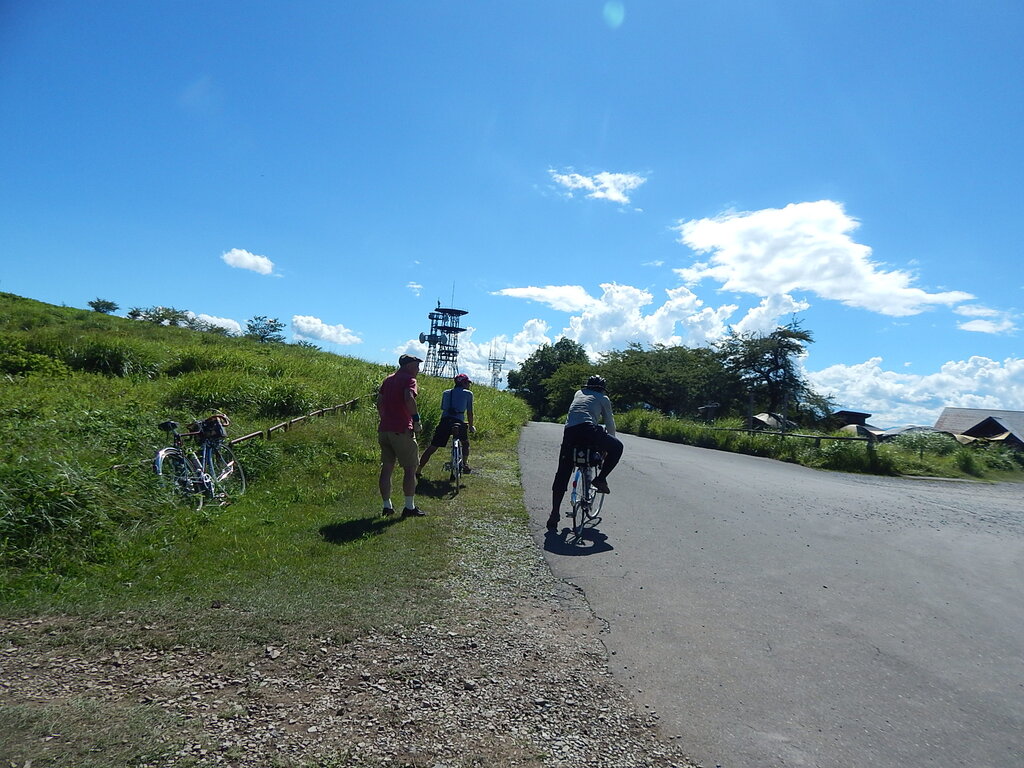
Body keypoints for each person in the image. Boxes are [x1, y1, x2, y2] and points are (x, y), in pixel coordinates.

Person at [547, 375, 623, 531]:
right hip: (589, 430)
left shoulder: (578, 393)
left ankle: (554, 514)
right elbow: (610, 424)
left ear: (587, 386)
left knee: (563, 472)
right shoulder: (603, 398)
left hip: (570, 433)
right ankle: (600, 480)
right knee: (618, 447)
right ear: (602, 389)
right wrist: (609, 444)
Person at [377, 353, 426, 517]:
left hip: (384, 429)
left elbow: (379, 402)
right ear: (409, 366)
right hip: (402, 429)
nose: (418, 369)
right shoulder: (409, 380)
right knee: (410, 469)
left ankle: (387, 506)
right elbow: (408, 398)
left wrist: (385, 418)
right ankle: (409, 507)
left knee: (387, 468)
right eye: (417, 366)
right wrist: (416, 420)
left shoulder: (388, 379)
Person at [417, 373, 476, 475]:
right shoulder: (468, 394)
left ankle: (418, 470)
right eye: (467, 383)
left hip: (445, 422)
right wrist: (471, 426)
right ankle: (465, 464)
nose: (469, 385)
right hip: (458, 423)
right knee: (465, 443)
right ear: (464, 383)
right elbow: (470, 413)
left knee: (433, 447)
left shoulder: (446, 393)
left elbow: (444, 408)